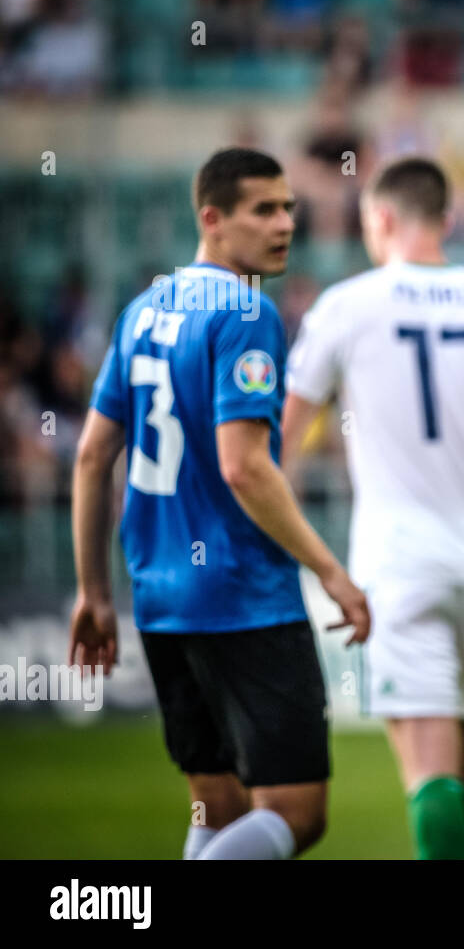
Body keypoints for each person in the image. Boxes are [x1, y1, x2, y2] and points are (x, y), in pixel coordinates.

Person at [70, 147, 370, 860]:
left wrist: (93, 592)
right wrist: (329, 569)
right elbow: (245, 468)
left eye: (289, 207)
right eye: (263, 210)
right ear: (212, 218)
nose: (285, 224)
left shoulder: (142, 310)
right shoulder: (245, 309)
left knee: (217, 807)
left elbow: (89, 457)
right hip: (244, 598)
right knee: (297, 813)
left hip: (162, 598)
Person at [282, 156, 464, 859]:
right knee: (458, 763)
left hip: (399, 559)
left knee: (428, 773)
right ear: (448, 221)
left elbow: (280, 438)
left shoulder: (348, 304)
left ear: (383, 219)